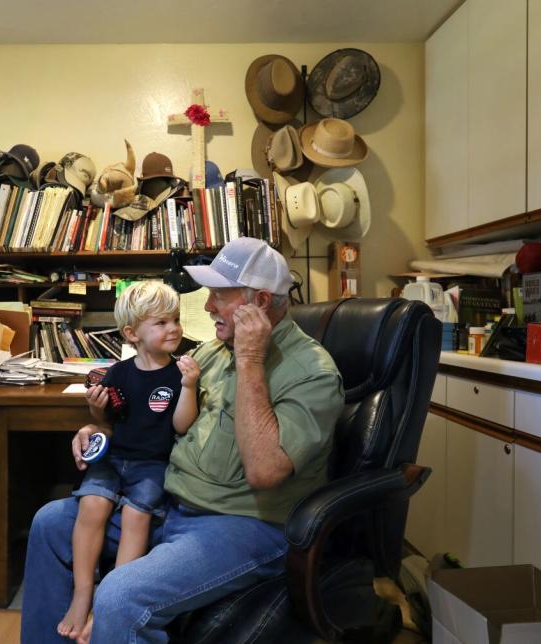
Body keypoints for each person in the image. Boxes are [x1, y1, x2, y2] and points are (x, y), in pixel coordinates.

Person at [22, 237, 344, 644]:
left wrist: (250, 360)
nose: (207, 306)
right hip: (170, 506)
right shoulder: (210, 353)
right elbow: (155, 422)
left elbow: (264, 471)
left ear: (260, 302)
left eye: (219, 295)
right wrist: (101, 432)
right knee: (49, 523)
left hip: (243, 526)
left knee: (120, 597)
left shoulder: (311, 373)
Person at [58, 281, 201, 640]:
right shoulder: (118, 372)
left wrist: (188, 387)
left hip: (153, 464)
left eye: (175, 320)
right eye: (161, 323)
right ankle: (83, 594)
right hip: (115, 458)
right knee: (92, 503)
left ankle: (110, 600)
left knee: (138, 515)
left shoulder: (178, 373)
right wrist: (95, 407)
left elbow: (182, 425)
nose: (173, 329)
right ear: (131, 333)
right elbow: (107, 422)